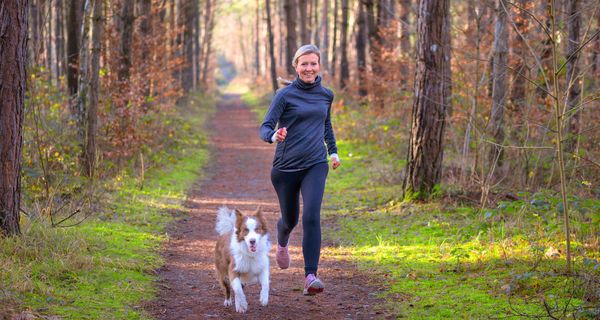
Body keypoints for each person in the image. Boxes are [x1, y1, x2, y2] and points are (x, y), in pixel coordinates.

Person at [260, 44, 341, 296]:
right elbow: (265, 126)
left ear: (319, 65)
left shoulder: (326, 95)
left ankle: (310, 276)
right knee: (291, 219)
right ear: (296, 66)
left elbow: (326, 124)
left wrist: (333, 152)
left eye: (313, 63)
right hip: (285, 168)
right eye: (304, 64)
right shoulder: (284, 96)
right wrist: (274, 136)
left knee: (311, 216)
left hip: (316, 164)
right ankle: (282, 241)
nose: (309, 68)